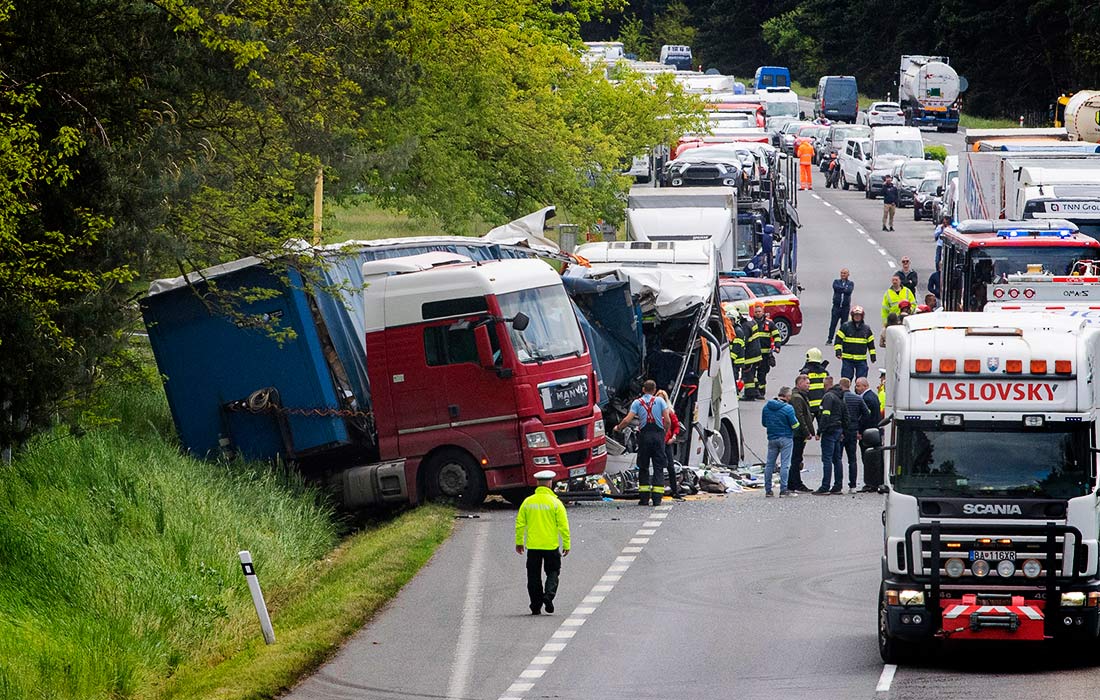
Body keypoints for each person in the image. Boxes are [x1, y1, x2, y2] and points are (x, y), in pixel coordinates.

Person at [515, 470, 571, 615]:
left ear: (537, 483)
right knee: (553, 571)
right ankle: (548, 595)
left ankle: (535, 606)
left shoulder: (528, 502)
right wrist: (566, 544)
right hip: (551, 546)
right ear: (550, 483)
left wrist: (519, 542)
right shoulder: (556, 503)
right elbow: (563, 526)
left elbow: (520, 524)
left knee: (533, 576)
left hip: (533, 546)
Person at [614, 380, 671, 505]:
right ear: (655, 390)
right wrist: (664, 433)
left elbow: (627, 420)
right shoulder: (660, 401)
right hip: (658, 435)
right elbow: (667, 420)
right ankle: (657, 499)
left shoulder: (637, 403)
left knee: (643, 467)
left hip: (644, 436)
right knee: (658, 467)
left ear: (644, 389)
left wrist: (618, 428)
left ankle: (644, 498)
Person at [761, 386, 800, 497]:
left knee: (769, 464)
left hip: (772, 438)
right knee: (785, 465)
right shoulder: (788, 408)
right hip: (786, 438)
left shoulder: (766, 407)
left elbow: (764, 423)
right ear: (787, 396)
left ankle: (768, 490)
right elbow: (795, 425)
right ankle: (783, 490)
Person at [813, 376, 849, 495]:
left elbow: (825, 415)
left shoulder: (828, 397)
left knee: (827, 459)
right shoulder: (840, 397)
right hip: (838, 430)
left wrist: (819, 431)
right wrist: (844, 431)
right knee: (837, 459)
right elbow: (846, 416)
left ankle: (825, 486)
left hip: (829, 431)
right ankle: (838, 486)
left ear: (826, 385)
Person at [840, 377, 870, 494]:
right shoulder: (857, 399)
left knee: (838, 459)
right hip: (853, 431)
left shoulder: (839, 398)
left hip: (841, 431)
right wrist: (858, 424)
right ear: (850, 385)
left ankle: (838, 484)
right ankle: (853, 485)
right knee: (852, 459)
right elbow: (866, 414)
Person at [789, 374, 816, 493]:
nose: (809, 386)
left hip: (799, 434)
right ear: (799, 384)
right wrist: (807, 432)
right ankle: (796, 483)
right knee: (796, 459)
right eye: (807, 384)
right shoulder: (797, 398)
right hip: (798, 434)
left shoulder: (800, 396)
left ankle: (793, 483)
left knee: (796, 458)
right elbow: (800, 416)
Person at [834, 305, 876, 380]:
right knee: (846, 380)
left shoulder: (866, 329)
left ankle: (859, 392)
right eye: (855, 315)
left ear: (862, 316)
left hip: (861, 360)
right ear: (852, 316)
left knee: (861, 381)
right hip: (847, 359)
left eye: (859, 315)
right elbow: (838, 340)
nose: (857, 317)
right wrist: (838, 352)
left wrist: (873, 356)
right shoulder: (845, 327)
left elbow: (871, 344)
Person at [855, 377, 882, 492]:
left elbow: (866, 418)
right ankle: (873, 482)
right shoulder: (873, 396)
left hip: (868, 433)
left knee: (867, 458)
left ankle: (871, 483)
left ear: (865, 386)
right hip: (874, 432)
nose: (856, 388)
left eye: (858, 386)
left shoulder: (867, 399)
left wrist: (859, 431)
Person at [656, 389, 684, 500]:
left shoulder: (669, 412)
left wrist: (673, 437)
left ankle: (674, 490)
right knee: (657, 467)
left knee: (670, 467)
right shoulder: (654, 412)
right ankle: (658, 490)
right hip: (657, 443)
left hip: (666, 443)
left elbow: (676, 426)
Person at [749, 302, 780, 398]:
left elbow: (776, 336)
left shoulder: (769, 323)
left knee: (762, 373)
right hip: (754, 354)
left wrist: (777, 346)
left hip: (765, 354)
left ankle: (761, 391)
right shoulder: (750, 323)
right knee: (752, 372)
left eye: (759, 311)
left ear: (763, 312)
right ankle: (755, 390)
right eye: (756, 312)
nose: (758, 313)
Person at [740, 305, 764, 400]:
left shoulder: (745, 325)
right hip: (756, 353)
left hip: (750, 354)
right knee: (753, 374)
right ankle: (756, 392)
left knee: (748, 375)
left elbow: (744, 341)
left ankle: (749, 395)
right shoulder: (752, 321)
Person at [828, 268, 854, 344]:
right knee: (833, 323)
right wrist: (844, 289)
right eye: (842, 273)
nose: (843, 275)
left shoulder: (850, 283)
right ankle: (830, 339)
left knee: (844, 325)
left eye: (845, 273)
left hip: (845, 307)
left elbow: (849, 291)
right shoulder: (836, 282)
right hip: (836, 306)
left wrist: (842, 289)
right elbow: (836, 288)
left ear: (848, 275)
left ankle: (841, 340)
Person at [800, 347, 829, 414]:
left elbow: (801, 389)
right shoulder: (825, 373)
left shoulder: (806, 372)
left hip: (809, 406)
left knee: (807, 424)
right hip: (822, 405)